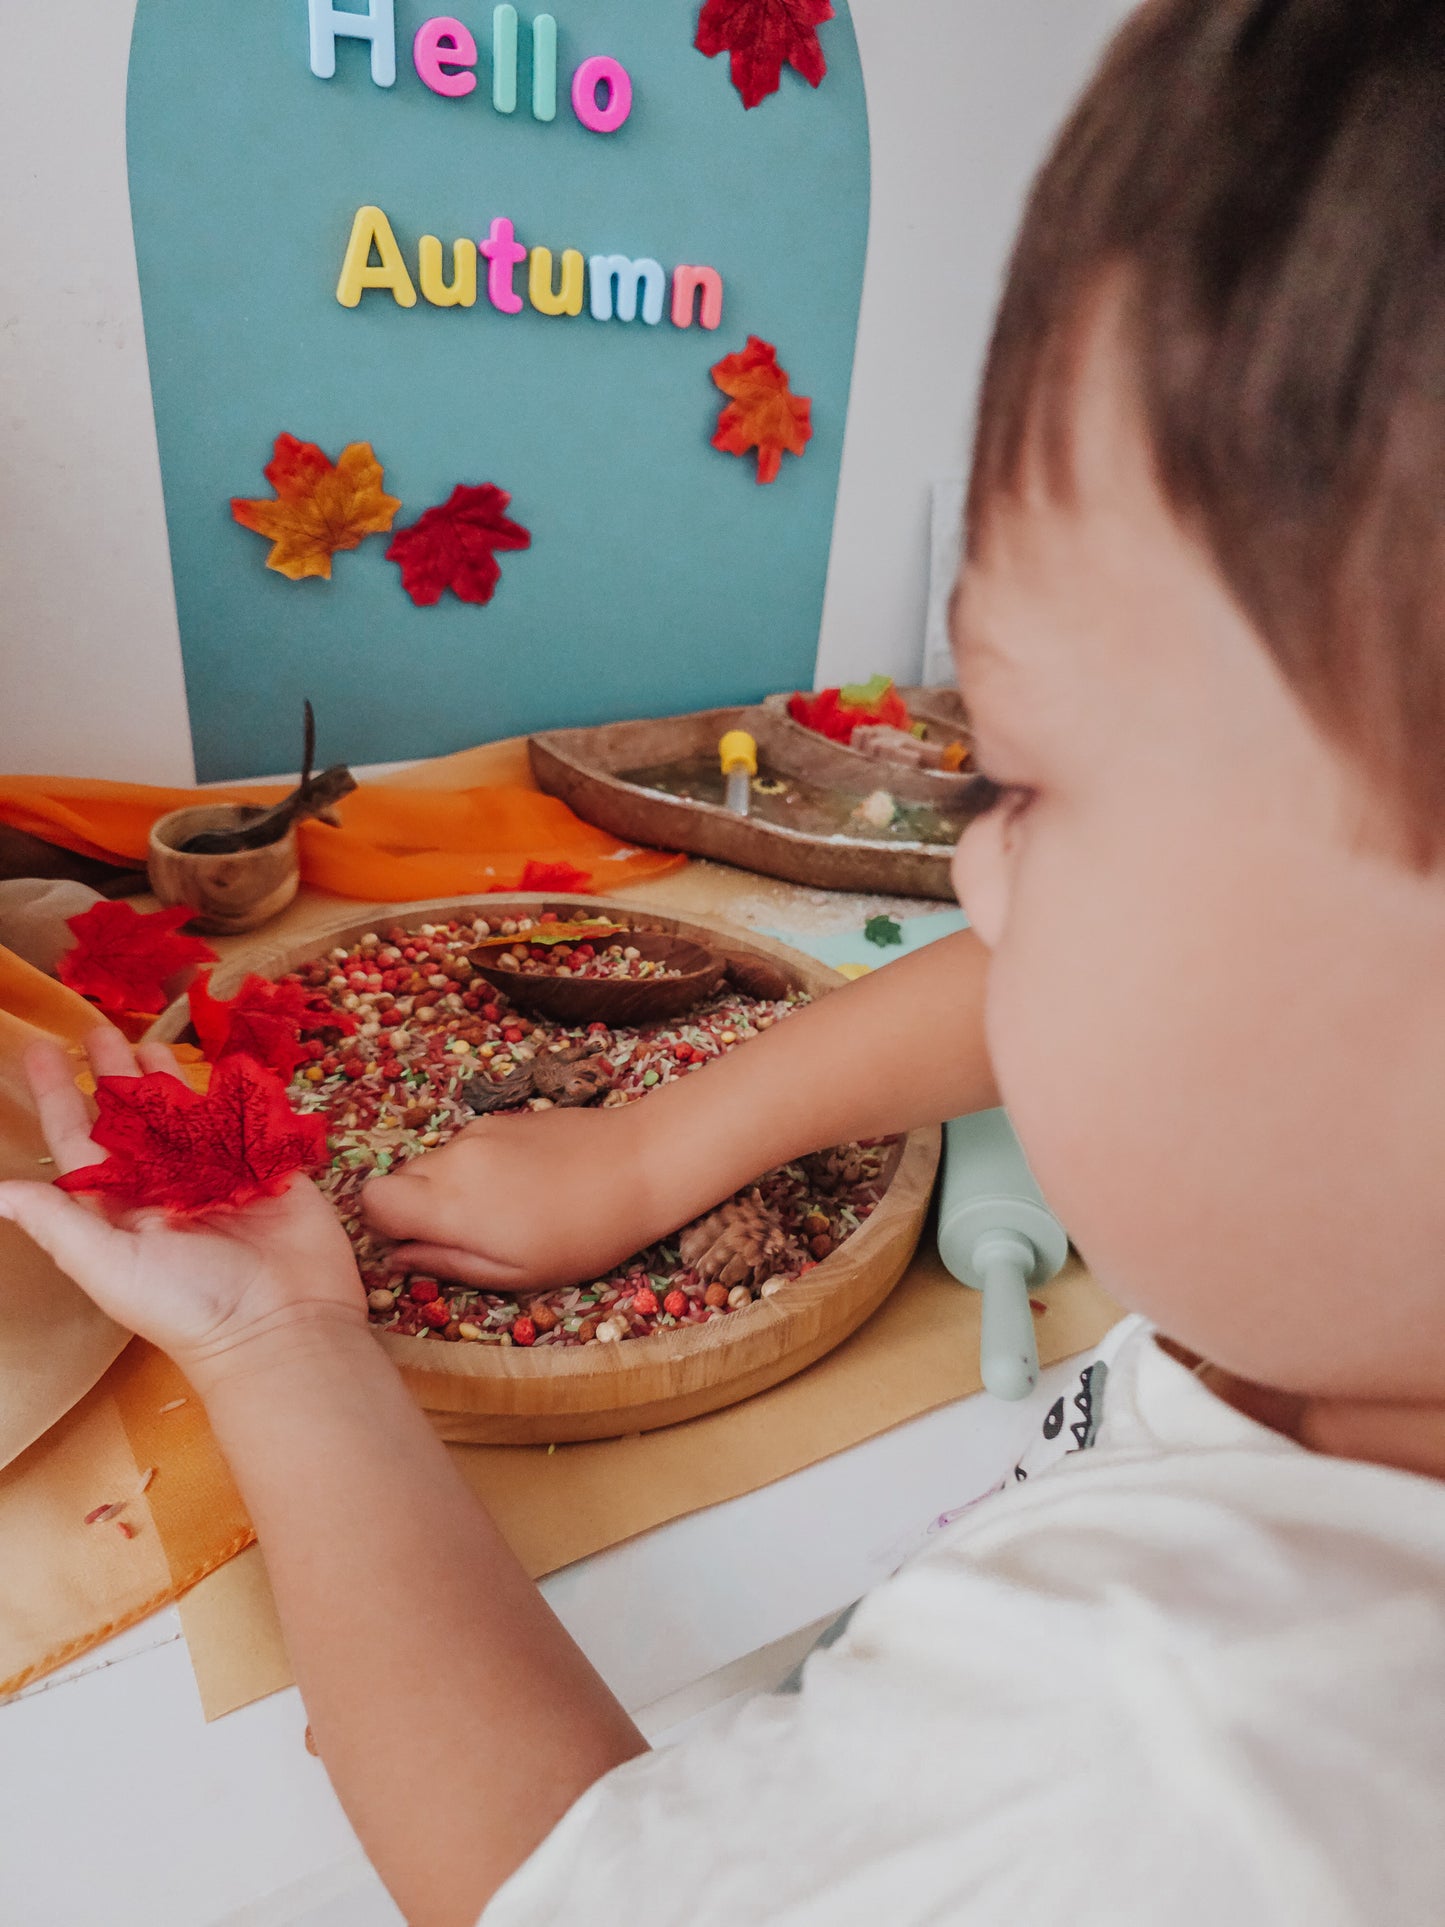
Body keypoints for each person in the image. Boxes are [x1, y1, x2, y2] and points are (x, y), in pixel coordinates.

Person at [6, 0, 1445, 1919]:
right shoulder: (1360, 1286)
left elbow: (546, 1875)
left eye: (1022, 788)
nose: (978, 898)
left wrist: (283, 1342)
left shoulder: (1172, 1748)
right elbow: (1052, 1002)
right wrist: (652, 1149)